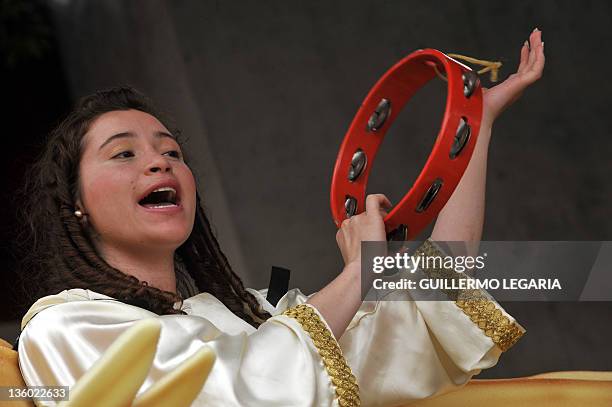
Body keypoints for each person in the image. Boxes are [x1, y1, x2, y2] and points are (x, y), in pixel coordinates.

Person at [16, 29, 544, 406]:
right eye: (123, 153)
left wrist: (474, 129)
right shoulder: (67, 327)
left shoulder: (251, 315)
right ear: (75, 201)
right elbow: (228, 393)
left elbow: (426, 312)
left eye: (172, 152)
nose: (159, 161)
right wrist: (359, 274)